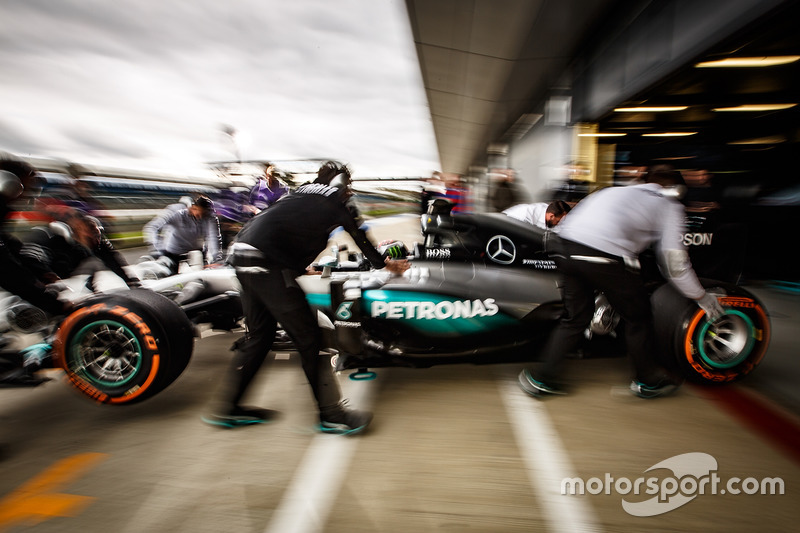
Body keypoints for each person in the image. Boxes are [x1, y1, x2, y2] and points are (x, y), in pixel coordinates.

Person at [204, 161, 409, 433]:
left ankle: (228, 408)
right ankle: (332, 415)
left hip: (242, 256)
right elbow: (359, 236)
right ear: (339, 184)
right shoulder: (336, 200)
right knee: (311, 338)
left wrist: (301, 268)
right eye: (348, 186)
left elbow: (283, 229)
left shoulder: (298, 194)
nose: (350, 191)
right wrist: (384, 265)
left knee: (259, 338)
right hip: (268, 266)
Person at [518, 165, 724, 399]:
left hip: (563, 248)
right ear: (677, 190)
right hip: (600, 255)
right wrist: (701, 296)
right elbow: (674, 263)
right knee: (638, 316)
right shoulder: (670, 205)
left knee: (575, 318)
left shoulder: (612, 191)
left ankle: (541, 378)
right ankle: (647, 380)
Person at [20, 209, 139, 289]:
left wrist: (131, 281)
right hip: (31, 284)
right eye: (89, 234)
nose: (96, 241)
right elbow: (29, 259)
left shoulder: (95, 240)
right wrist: (46, 275)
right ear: (77, 229)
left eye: (97, 235)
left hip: (64, 284)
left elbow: (112, 259)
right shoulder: (46, 235)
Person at [142, 195, 223, 274]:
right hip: (173, 251)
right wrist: (156, 250)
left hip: (195, 251)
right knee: (171, 279)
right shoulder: (176, 212)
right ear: (193, 207)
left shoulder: (210, 217)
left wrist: (215, 259)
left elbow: (213, 237)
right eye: (198, 212)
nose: (201, 216)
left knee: (204, 277)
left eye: (204, 213)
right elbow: (152, 227)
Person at [503, 200, 571, 229]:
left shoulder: (550, 214)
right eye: (558, 221)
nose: (558, 224)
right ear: (551, 216)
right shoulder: (526, 215)